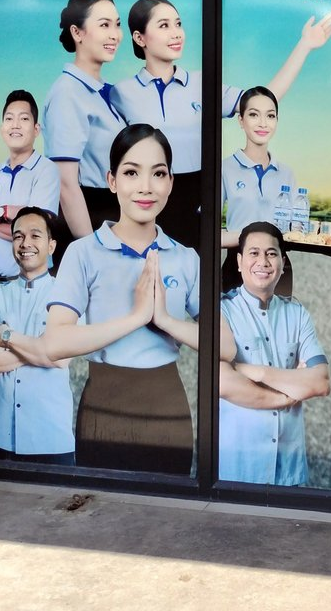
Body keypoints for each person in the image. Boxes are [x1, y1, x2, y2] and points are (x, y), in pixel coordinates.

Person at [43, 123, 222, 474]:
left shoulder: (186, 257)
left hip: (168, 404)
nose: (145, 187)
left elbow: (226, 346)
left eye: (158, 173)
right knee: (102, 514)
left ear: (170, 182)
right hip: (104, 404)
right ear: (112, 181)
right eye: (131, 172)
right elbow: (54, 342)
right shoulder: (83, 252)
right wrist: (136, 318)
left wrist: (166, 321)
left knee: (167, 517)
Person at [110, 0, 331, 247]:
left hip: (195, 207)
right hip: (145, 205)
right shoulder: (120, 93)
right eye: (164, 26)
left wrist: (304, 46)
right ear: (139, 37)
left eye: (178, 24)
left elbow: (262, 101)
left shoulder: (204, 84)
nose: (176, 33)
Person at [218, 221, 330, 486]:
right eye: (254, 253)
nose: (263, 261)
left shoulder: (297, 313)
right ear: (239, 261)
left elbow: (321, 382)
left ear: (282, 262)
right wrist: (288, 394)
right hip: (239, 469)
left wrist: (254, 371)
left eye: (271, 253)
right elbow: (223, 383)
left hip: (289, 471)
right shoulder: (222, 312)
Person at [0, 207, 75, 465]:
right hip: (5, 438)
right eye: (18, 236)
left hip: (51, 436)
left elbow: (61, 358)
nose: (25, 243)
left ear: (51, 245)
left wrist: (7, 337)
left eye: (35, 235)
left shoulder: (67, 294)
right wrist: (40, 348)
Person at [42, 0, 126, 244]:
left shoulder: (108, 91)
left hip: (112, 219)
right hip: (86, 222)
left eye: (117, 25)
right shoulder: (67, 93)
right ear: (76, 33)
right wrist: (92, 252)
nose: (114, 35)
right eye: (104, 25)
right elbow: (66, 185)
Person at [0, 90, 60, 286]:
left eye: (24, 118)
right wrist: (4, 212)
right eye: (9, 118)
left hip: (31, 282)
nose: (15, 125)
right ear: (2, 128)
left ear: (36, 129)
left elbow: (35, 234)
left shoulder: (46, 170)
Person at [219, 87, 296, 290]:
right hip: (238, 267)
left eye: (270, 116)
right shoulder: (224, 168)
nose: (263, 123)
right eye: (254, 115)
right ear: (241, 120)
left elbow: (294, 229)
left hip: (278, 268)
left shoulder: (286, 173)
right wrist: (251, 235)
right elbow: (207, 233)